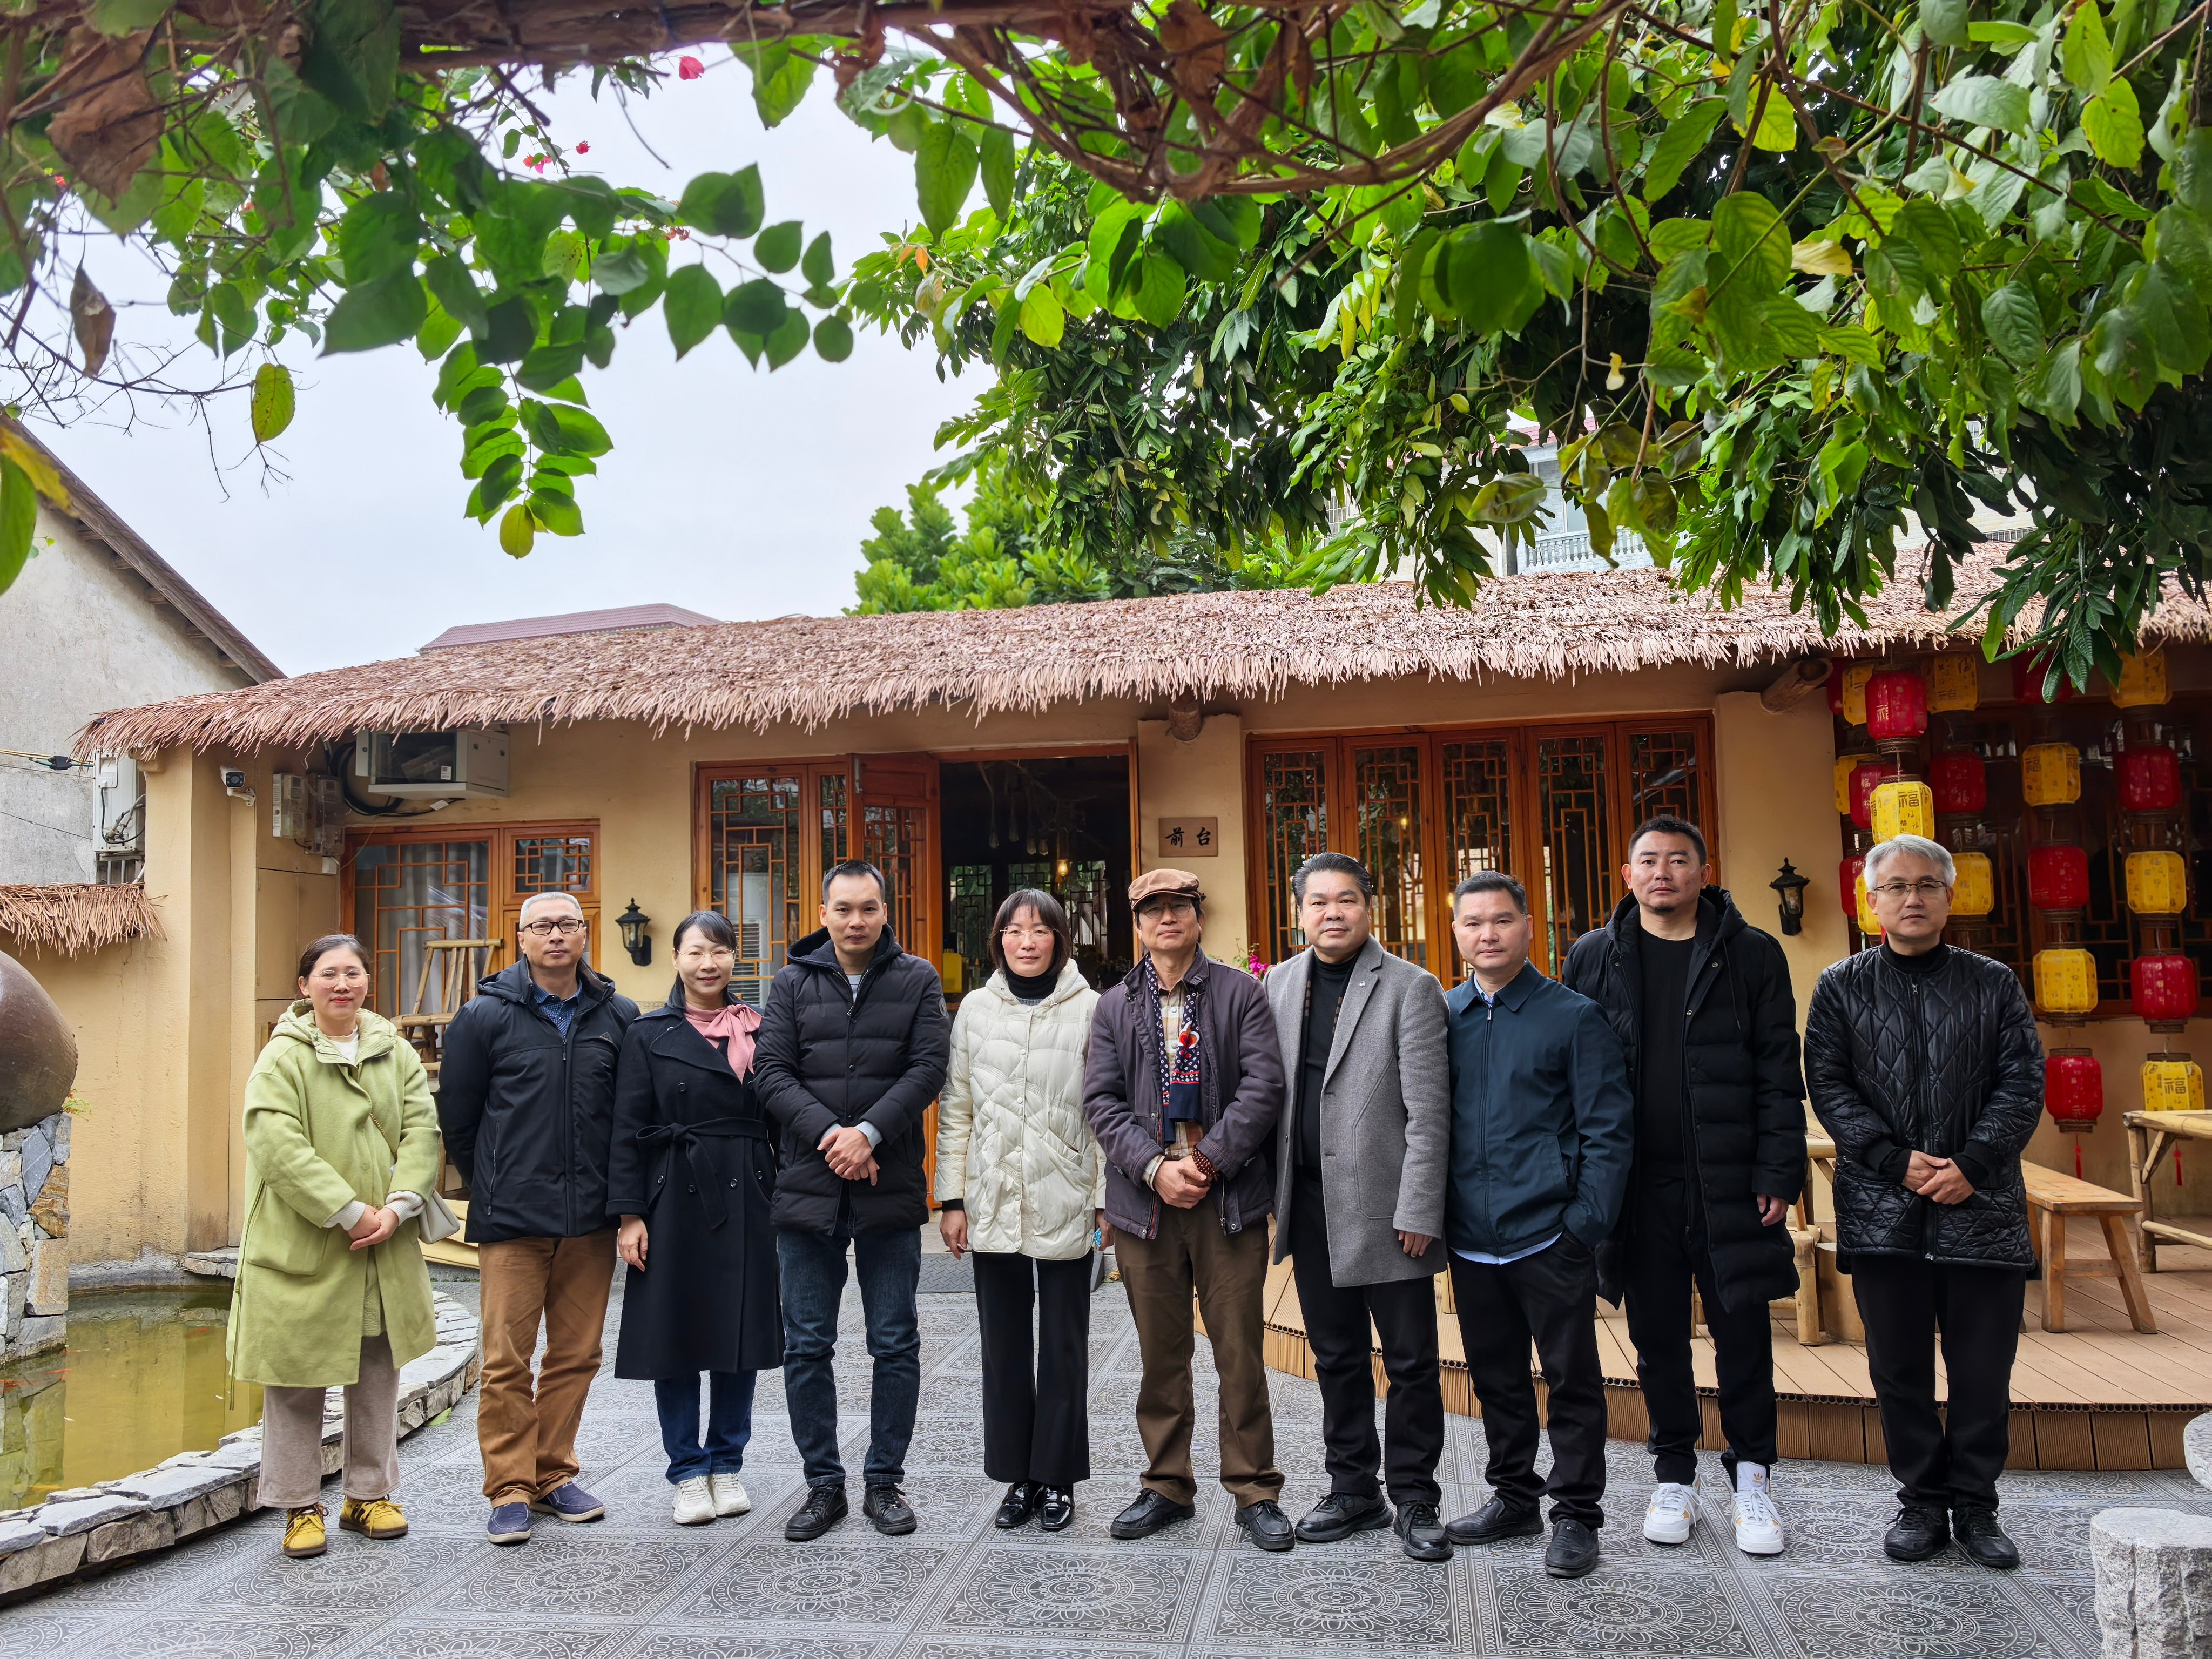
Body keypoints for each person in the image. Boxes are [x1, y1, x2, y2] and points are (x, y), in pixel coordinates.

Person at [1561, 815, 1805, 1557]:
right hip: (1636, 1187)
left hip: (1729, 1181)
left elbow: (1778, 1070)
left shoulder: (1751, 953)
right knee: (1657, 1338)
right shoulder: (1595, 955)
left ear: (1704, 871)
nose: (1661, 872)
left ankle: (1753, 1477)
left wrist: (1778, 1171)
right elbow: (1569, 1074)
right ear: (1627, 875)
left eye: (1677, 860)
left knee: (1744, 1334)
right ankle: (1674, 1474)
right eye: (1648, 861)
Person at [1805, 832, 2041, 1570]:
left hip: (1982, 1205)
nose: (1912, 899)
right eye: (1897, 887)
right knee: (1898, 1371)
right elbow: (1828, 1084)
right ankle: (1920, 1503)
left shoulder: (1993, 983)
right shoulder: (1841, 986)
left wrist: (1972, 1164)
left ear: (1949, 897)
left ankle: (1975, 1505)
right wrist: (1892, 1161)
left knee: (1982, 1371)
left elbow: (2022, 1082)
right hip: (1883, 1208)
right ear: (1870, 901)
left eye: (1927, 885)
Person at [1083, 869, 1291, 1552]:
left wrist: (1205, 1163)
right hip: (1146, 1203)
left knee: (1239, 1350)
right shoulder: (1114, 1006)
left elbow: (1263, 1086)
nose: (1166, 919)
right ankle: (1166, 1484)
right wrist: (1154, 1167)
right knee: (1160, 1354)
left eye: (1179, 907)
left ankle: (1255, 1488)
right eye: (1153, 911)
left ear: (1199, 918)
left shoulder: (1240, 992)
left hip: (1224, 1196)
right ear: (1138, 926)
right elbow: (1101, 1102)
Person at [1441, 871, 1633, 1580]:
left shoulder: (1573, 1017)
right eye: (1472, 923)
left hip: (1550, 1235)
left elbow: (1608, 1131)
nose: (1487, 934)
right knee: (1496, 1379)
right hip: (1470, 1237)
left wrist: (1582, 1226)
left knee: (1571, 1379)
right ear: (1457, 934)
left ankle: (1577, 1514)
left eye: (1501, 920)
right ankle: (1513, 1497)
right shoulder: (1444, 1015)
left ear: (1529, 927)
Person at [754, 859, 950, 1541]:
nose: (856, 921)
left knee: (894, 1341)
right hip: (808, 1189)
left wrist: (867, 1134)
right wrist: (831, 1136)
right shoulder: (790, 981)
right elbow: (770, 1071)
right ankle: (822, 1485)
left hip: (886, 1184)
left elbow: (928, 1068)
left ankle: (884, 1482)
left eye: (868, 908)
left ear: (885, 911)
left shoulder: (917, 978)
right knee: (807, 1345)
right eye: (843, 909)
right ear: (824, 913)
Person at [1264, 852, 1453, 1563]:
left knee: (1410, 1361)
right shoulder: (1280, 983)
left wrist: (1421, 1208)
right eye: (1318, 902)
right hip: (1310, 1203)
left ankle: (1416, 1497)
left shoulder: (1411, 986)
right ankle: (1353, 1489)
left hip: (1389, 1209)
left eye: (1346, 899)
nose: (1332, 913)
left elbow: (1430, 1111)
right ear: (1299, 913)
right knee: (1335, 1355)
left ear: (1370, 907)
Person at [228, 934, 440, 1561]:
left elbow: (422, 1130)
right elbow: (275, 1143)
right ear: (305, 986)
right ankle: (299, 1506)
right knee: (296, 1377)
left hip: (385, 1241)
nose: (342, 984)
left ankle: (368, 1495)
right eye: (328, 974)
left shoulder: (394, 1050)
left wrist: (398, 1206)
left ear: (368, 982)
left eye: (353, 973)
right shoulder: (283, 1056)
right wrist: (347, 1212)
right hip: (307, 1242)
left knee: (377, 1371)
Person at [438, 891, 638, 1545]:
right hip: (512, 1220)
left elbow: (630, 1117)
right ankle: (509, 1487)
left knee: (577, 1355)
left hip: (590, 1220)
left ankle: (552, 1473)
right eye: (542, 926)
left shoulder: (618, 1016)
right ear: (521, 938)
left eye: (567, 924)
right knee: (506, 1361)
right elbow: (459, 1119)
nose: (555, 935)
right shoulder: (484, 1015)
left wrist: (623, 1204)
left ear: (584, 935)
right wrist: (494, 1186)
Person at [936, 888, 1104, 1532]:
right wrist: (952, 1200)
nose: (1026, 941)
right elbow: (956, 1109)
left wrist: (1104, 1200)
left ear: (1061, 938)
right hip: (993, 1196)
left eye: (1040, 930)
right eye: (1014, 930)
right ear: (998, 939)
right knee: (1003, 1346)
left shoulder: (1092, 1008)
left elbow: (1106, 1110)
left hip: (1066, 1193)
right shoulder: (976, 1011)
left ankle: (1057, 1477)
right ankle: (1018, 1476)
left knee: (1063, 1344)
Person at [608, 911, 783, 1526]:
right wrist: (629, 1215)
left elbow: (783, 1119)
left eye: (720, 952)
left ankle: (727, 1463)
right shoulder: (647, 1032)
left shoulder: (763, 1028)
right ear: (676, 960)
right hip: (672, 1197)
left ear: (736, 958)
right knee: (675, 1334)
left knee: (741, 1334)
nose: (708, 964)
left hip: (750, 1194)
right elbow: (627, 1128)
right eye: (696, 952)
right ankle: (686, 1470)